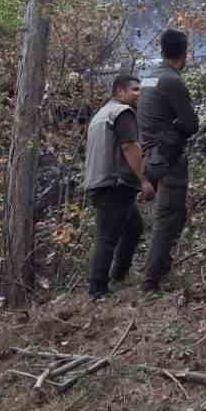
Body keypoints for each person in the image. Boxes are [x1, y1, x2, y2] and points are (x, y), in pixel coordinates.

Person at [137, 29, 200, 291]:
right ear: (184, 52)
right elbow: (191, 123)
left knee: (173, 214)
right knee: (169, 218)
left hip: (150, 156)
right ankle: (151, 281)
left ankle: (161, 267)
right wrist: (178, 126)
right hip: (168, 158)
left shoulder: (148, 78)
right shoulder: (172, 81)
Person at [82, 75, 156, 298]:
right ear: (120, 91)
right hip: (114, 183)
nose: (139, 94)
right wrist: (143, 179)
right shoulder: (122, 113)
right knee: (107, 237)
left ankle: (119, 275)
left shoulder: (101, 115)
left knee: (133, 227)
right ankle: (98, 290)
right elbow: (129, 147)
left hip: (99, 181)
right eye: (134, 90)